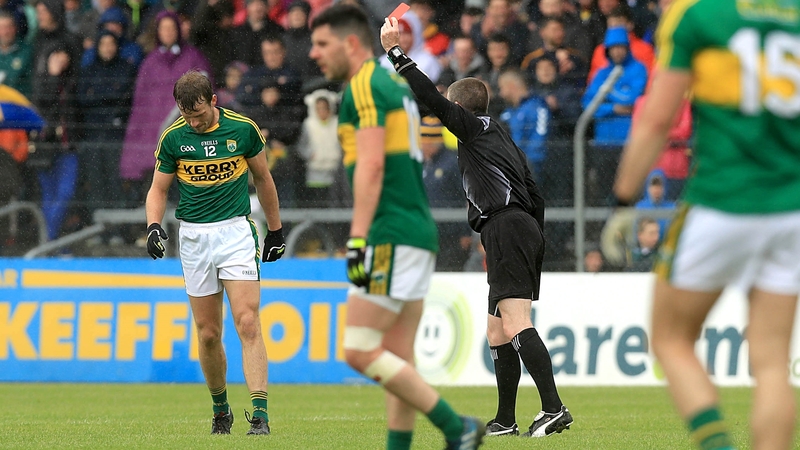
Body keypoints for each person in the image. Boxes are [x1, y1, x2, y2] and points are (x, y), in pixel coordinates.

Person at [613, 1, 800, 448]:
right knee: (772, 363)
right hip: (790, 208)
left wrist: (622, 198)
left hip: (721, 201)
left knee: (671, 339)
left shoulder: (698, 13)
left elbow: (658, 119)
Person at [381, 15, 572, 439]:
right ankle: (505, 419)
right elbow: (535, 192)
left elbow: (432, 99)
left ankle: (554, 408)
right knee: (497, 329)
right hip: (518, 227)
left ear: (460, 109)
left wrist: (396, 53)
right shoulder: (500, 137)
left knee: (516, 322)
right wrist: (533, 236)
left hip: (506, 228)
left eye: (451, 110)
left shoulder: (472, 129)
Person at [309, 5, 485, 450]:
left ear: (351, 43)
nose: (314, 53)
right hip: (415, 229)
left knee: (359, 350)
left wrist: (357, 238)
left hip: (389, 231)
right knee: (398, 358)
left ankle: (456, 426)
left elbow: (371, 166)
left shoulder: (365, 84)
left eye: (322, 43)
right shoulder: (391, 83)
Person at [144, 71, 285, 436]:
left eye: (199, 114)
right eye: (186, 115)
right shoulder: (174, 138)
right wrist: (153, 226)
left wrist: (275, 229)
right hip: (194, 238)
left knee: (248, 321)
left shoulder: (243, 130)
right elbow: (158, 189)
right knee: (208, 333)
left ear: (214, 101)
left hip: (235, 232)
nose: (194, 122)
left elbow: (263, 178)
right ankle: (221, 409)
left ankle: (260, 415)